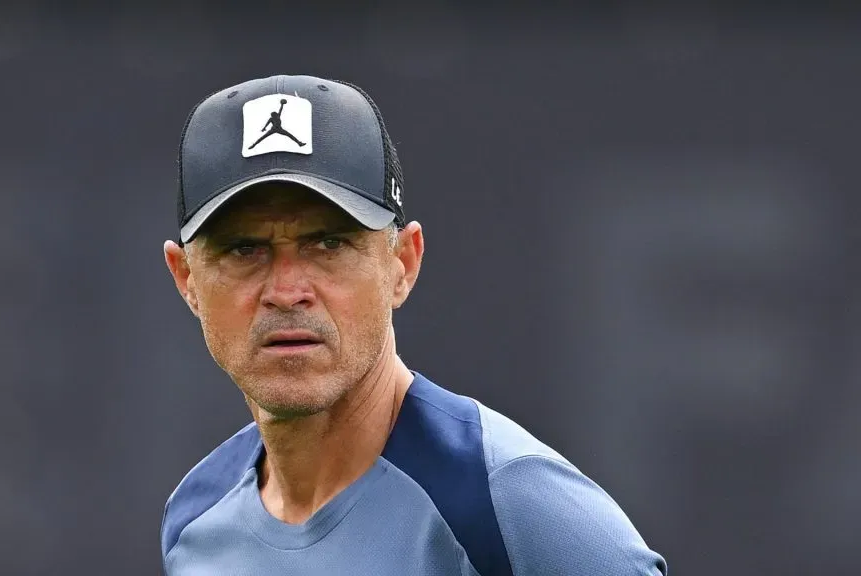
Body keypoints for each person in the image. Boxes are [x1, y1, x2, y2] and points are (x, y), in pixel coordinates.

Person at [159, 74, 668, 575]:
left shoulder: (505, 505)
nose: (288, 291)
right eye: (244, 249)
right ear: (186, 279)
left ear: (402, 262)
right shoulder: (195, 520)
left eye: (330, 244)